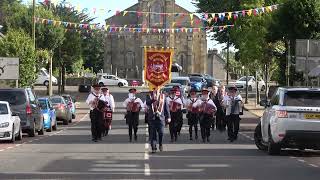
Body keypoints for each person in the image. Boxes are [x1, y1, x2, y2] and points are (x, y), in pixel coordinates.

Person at [146, 88, 171, 153]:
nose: (156, 90)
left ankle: (160, 144)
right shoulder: (149, 95)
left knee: (161, 133)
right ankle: (153, 148)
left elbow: (166, 107)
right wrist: (153, 99)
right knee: (153, 134)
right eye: (154, 88)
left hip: (161, 118)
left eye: (157, 89)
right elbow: (147, 103)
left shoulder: (163, 96)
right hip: (152, 118)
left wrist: (168, 116)